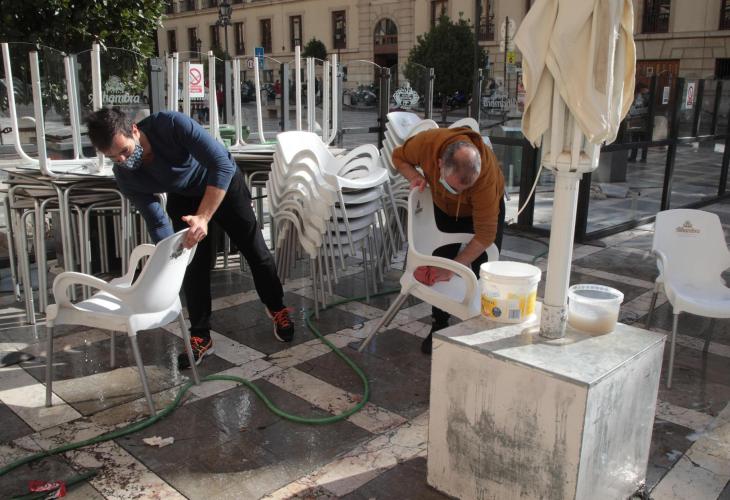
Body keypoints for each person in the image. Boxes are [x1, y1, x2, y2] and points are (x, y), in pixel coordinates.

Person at [85, 108, 294, 369]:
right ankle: (201, 335)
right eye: (113, 158)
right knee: (193, 267)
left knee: (255, 249)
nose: (123, 160)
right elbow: (157, 221)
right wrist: (171, 258)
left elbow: (221, 164)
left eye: (125, 151)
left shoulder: (171, 125)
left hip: (222, 183)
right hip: (184, 197)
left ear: (134, 131)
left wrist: (203, 217)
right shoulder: (125, 176)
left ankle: (277, 307)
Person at [391, 127, 505, 355]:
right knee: (440, 262)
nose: (459, 193)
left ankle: (480, 326)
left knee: (485, 270)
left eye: (465, 189)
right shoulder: (427, 144)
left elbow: (485, 235)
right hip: (444, 208)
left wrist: (455, 267)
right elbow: (398, 157)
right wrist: (414, 177)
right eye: (453, 187)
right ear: (440, 163)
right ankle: (439, 324)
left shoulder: (485, 179)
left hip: (482, 211)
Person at [628, 83, 650, 162]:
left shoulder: (647, 97)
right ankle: (635, 157)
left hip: (643, 121)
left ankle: (641, 158)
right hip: (637, 120)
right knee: (636, 140)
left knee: (641, 140)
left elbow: (648, 109)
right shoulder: (636, 96)